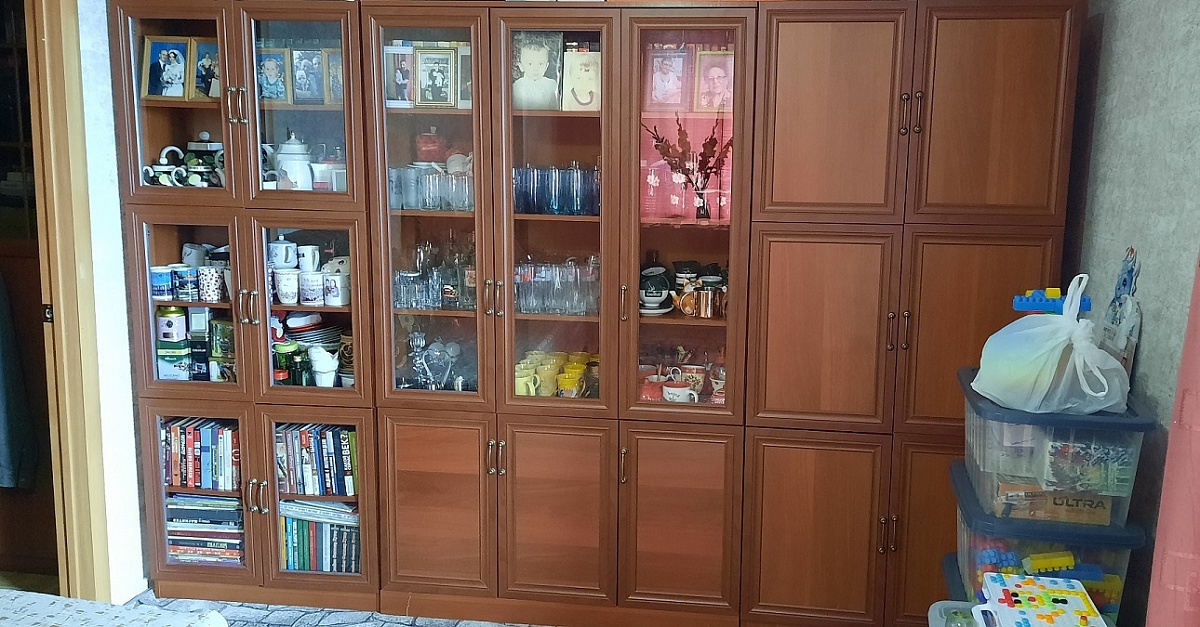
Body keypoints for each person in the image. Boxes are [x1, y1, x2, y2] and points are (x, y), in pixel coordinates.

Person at [511, 41, 558, 110]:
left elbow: (555, 108)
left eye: (540, 63)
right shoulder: (516, 87)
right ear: (521, 66)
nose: (536, 68)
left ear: (546, 66)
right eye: (530, 63)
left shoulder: (550, 85)